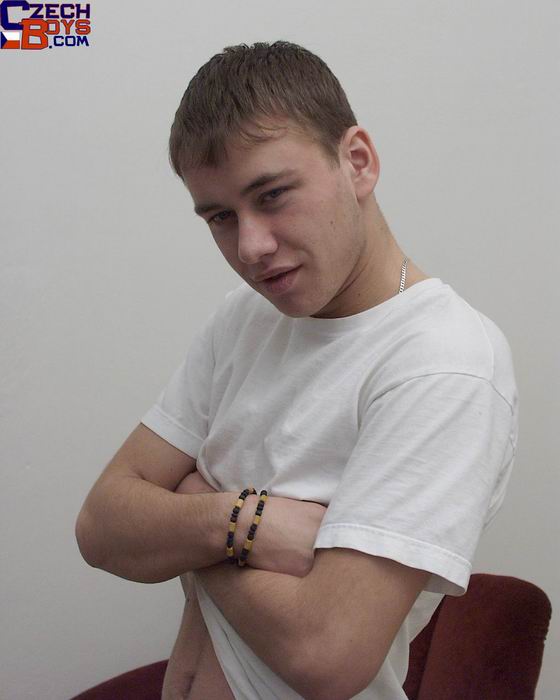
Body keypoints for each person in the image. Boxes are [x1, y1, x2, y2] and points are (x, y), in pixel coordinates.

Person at [75, 41, 519, 700]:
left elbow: (327, 655)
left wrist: (193, 503)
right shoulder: (243, 320)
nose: (251, 246)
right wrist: (242, 525)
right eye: (220, 217)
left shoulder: (443, 361)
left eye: (273, 195)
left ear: (357, 162)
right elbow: (101, 526)